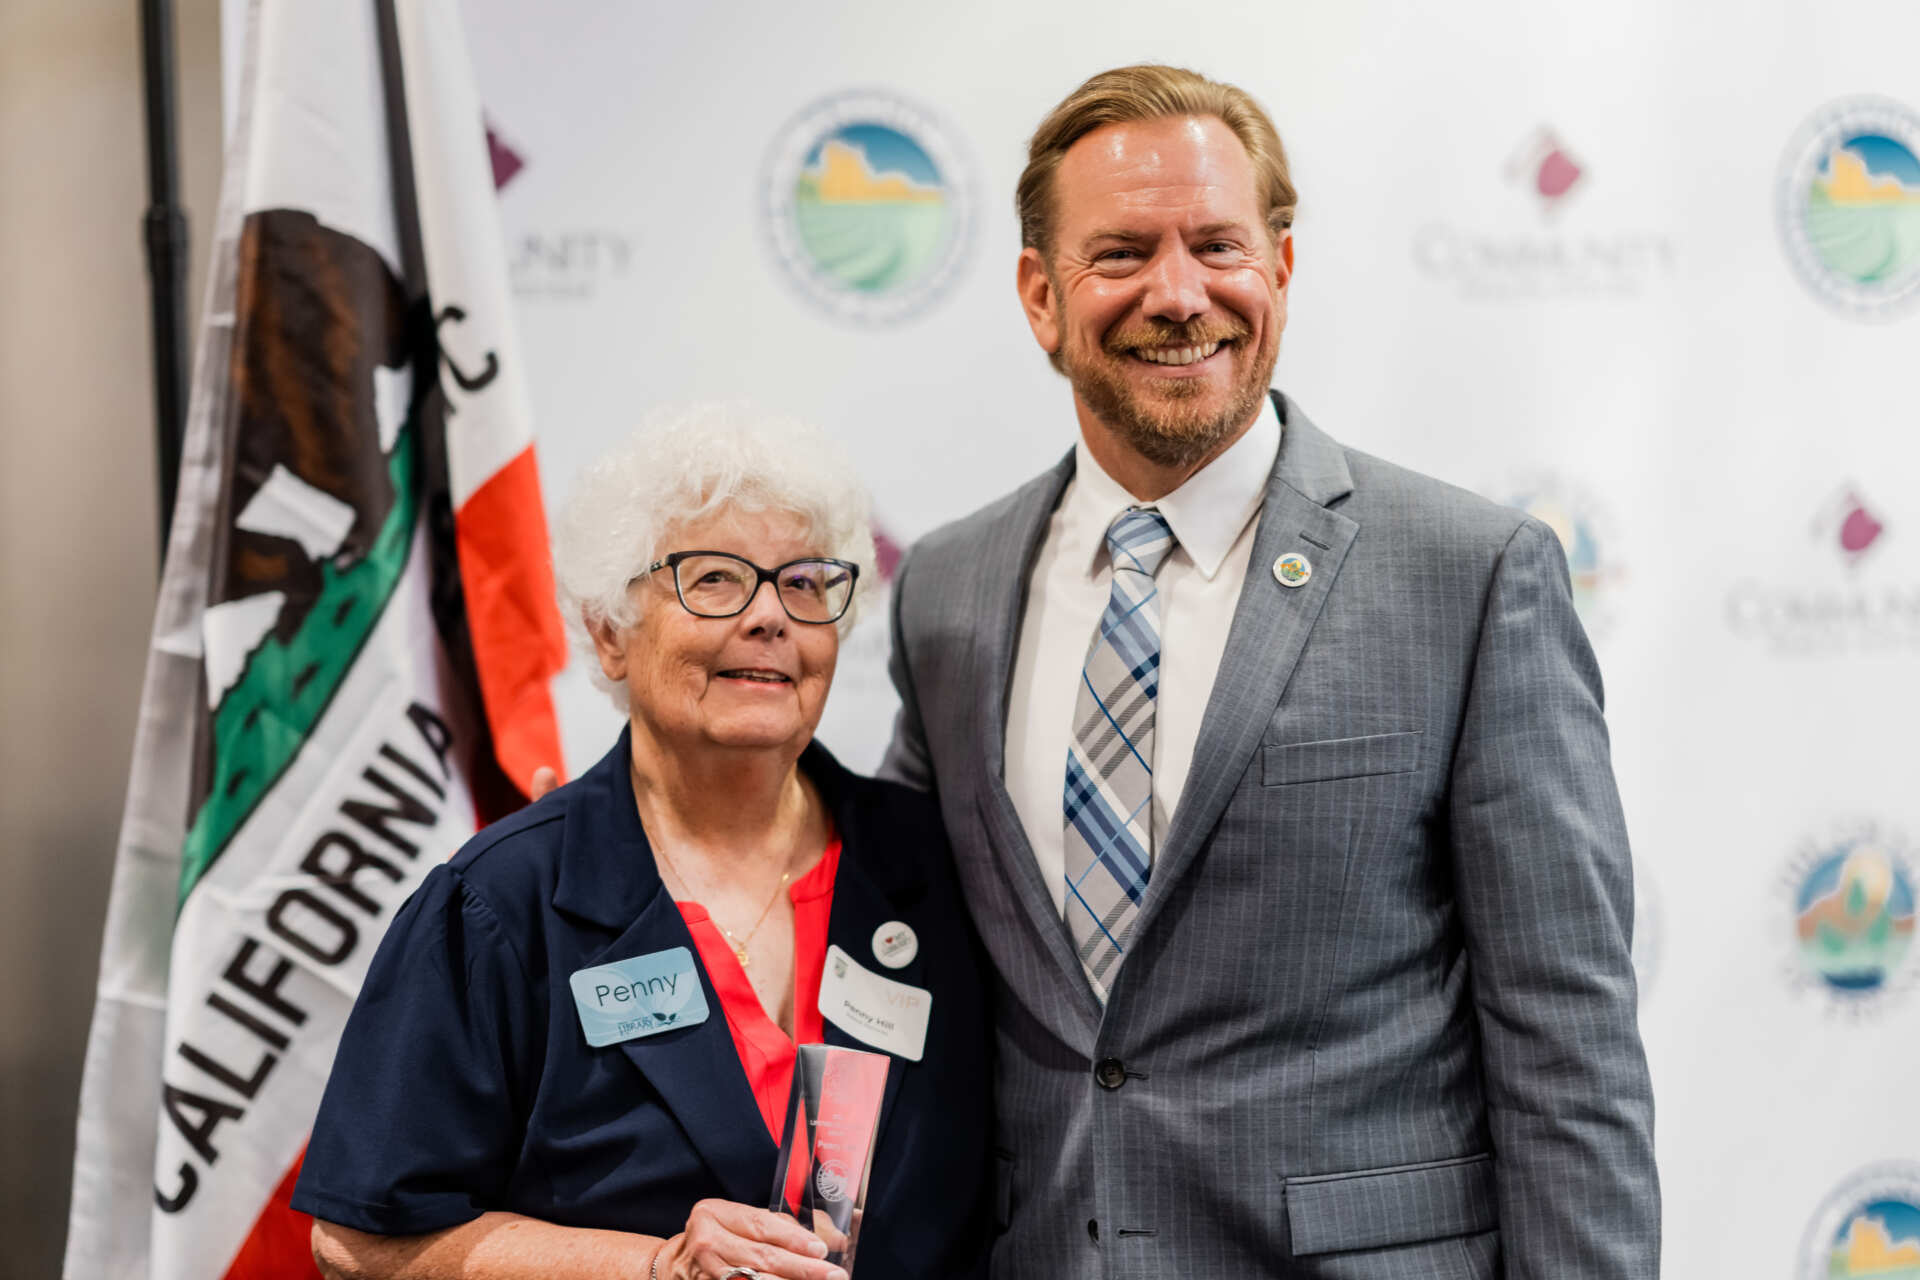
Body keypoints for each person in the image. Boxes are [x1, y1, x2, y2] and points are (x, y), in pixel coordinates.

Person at [878, 65, 1659, 1276]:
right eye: (1122, 253)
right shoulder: (948, 589)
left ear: (1281, 269)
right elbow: (896, 953)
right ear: (1040, 296)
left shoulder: (1468, 575)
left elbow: (1568, 1042)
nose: (1178, 293)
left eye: (1218, 246)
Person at [292, 406, 990, 1280]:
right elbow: (358, 1242)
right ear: (609, 632)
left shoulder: (934, 863)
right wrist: (656, 1267)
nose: (770, 616)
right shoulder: (500, 904)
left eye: (805, 583)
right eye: (715, 579)